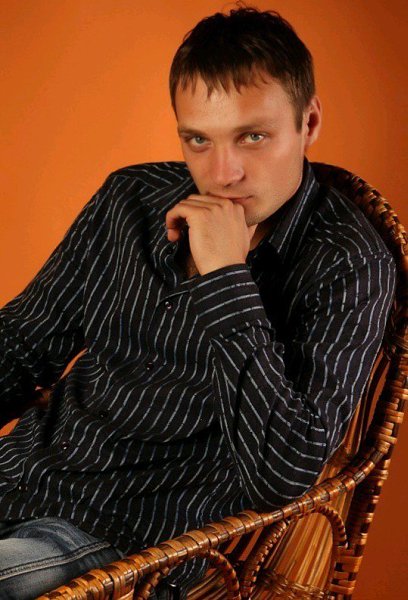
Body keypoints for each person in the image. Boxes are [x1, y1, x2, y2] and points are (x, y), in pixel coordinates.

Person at [0, 6, 396, 600]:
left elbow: (284, 471)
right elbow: (21, 345)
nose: (223, 174)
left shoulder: (348, 263)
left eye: (252, 136)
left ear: (309, 121)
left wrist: (225, 276)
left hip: (119, 537)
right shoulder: (131, 199)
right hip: (17, 476)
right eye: (198, 141)